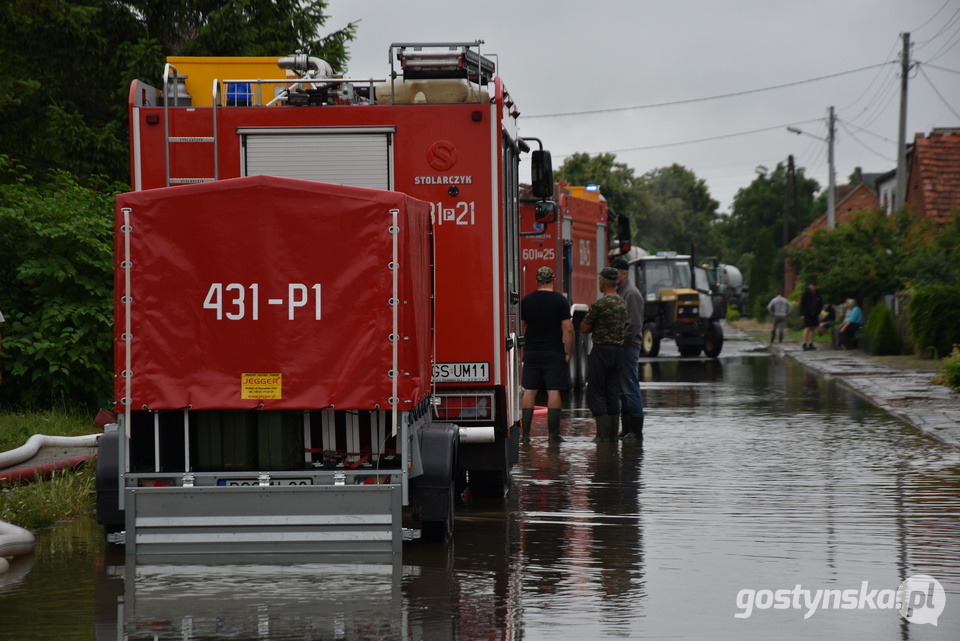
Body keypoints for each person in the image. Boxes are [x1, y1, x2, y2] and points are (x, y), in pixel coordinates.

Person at [520, 267, 574, 443]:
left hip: (532, 353)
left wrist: (521, 351)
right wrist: (568, 352)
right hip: (554, 352)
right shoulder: (560, 301)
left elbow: (519, 328)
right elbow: (568, 329)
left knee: (529, 390)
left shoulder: (526, 301)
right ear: (553, 280)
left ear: (537, 280)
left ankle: (526, 435)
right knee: (553, 390)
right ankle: (553, 435)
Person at [581, 267, 627, 443]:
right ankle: (613, 435)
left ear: (603, 282)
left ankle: (602, 436)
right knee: (613, 392)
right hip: (618, 351)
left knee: (597, 391)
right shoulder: (623, 303)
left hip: (601, 351)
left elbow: (584, 328)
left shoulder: (600, 304)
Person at [610, 256, 645, 443]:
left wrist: (618, 344)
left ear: (624, 273)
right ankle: (626, 429)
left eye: (615, 273)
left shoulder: (631, 294)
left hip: (628, 347)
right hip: (623, 347)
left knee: (630, 387)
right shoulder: (622, 291)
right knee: (623, 390)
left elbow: (632, 326)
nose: (613, 277)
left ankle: (636, 431)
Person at [799, 281, 823, 351]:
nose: (813, 287)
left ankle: (811, 343)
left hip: (815, 313)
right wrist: (802, 314)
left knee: (813, 328)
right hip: (807, 313)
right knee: (807, 328)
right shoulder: (806, 294)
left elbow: (820, 303)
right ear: (810, 286)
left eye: (814, 286)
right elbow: (802, 304)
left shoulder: (817, 294)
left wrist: (819, 311)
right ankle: (804, 343)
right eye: (812, 286)